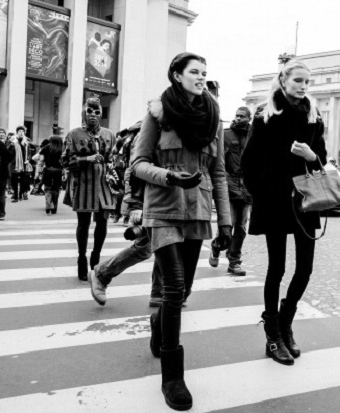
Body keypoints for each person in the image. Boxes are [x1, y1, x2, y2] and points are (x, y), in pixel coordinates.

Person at [131, 52, 232, 411]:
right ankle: (173, 378)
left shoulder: (213, 117)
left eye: (205, 72)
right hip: (162, 208)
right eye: (194, 72)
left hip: (198, 212)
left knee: (183, 290)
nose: (201, 77)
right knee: (173, 286)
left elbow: (218, 173)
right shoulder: (158, 113)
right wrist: (169, 176)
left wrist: (225, 221)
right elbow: (138, 163)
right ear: (177, 75)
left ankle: (158, 325)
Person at [241, 59, 327, 366]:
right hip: (275, 201)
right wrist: (263, 192)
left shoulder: (314, 116)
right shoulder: (266, 115)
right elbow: (248, 163)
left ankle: (286, 319)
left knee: (305, 269)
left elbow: (322, 160)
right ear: (283, 79)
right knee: (276, 269)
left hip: (305, 201)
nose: (304, 86)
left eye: (308, 81)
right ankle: (273, 335)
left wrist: (311, 154)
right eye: (298, 80)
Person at [88, 120, 164, 309]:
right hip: (151, 198)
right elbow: (134, 169)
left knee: (164, 245)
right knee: (146, 247)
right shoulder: (153, 130)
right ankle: (102, 273)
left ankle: (160, 292)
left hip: (165, 198)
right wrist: (135, 205)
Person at [61, 97, 117, 281]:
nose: (93, 115)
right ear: (84, 112)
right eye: (90, 111)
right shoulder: (74, 134)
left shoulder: (109, 134)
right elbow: (64, 161)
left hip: (103, 184)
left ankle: (96, 258)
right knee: (83, 224)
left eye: (97, 112)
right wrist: (87, 159)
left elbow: (114, 160)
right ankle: (81, 258)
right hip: (83, 183)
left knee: (102, 222)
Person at [208, 107, 253, 276]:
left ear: (249, 118)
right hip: (229, 186)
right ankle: (217, 246)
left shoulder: (252, 136)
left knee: (241, 228)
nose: (238, 118)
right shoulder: (227, 135)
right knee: (229, 223)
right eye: (237, 115)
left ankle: (234, 261)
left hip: (247, 188)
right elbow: (219, 161)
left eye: (242, 116)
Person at [39, 135, 63, 214]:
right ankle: (54, 207)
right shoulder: (62, 149)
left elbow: (41, 160)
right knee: (56, 189)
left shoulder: (45, 148)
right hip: (58, 171)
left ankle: (48, 202)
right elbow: (64, 161)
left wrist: (39, 171)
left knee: (47, 188)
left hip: (48, 170)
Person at [8, 126, 32, 202]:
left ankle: (21, 194)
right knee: (14, 180)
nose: (21, 133)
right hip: (14, 163)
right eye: (19, 131)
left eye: (23, 131)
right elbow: (9, 152)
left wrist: (28, 159)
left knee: (23, 180)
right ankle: (15, 196)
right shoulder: (12, 141)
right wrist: (12, 145)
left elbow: (29, 153)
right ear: (17, 132)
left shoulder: (26, 142)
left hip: (24, 164)